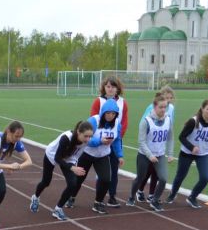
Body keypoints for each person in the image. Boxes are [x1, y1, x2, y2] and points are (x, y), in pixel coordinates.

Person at [29, 120, 92, 220]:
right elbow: (57, 158)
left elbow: (76, 155)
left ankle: (58, 209)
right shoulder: (66, 138)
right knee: (46, 181)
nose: (88, 139)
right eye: (86, 136)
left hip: (68, 158)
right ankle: (35, 197)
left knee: (73, 184)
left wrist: (74, 166)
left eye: (90, 136)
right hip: (52, 155)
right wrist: (71, 167)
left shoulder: (85, 142)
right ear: (78, 132)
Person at [69, 100, 124, 214]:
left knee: (106, 179)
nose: (110, 116)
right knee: (79, 178)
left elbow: (117, 140)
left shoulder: (117, 124)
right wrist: (100, 141)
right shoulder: (93, 121)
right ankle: (71, 197)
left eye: (113, 113)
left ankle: (98, 203)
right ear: (103, 112)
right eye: (108, 113)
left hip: (103, 155)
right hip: (87, 154)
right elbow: (86, 139)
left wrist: (120, 155)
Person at [167, 99, 208, 209]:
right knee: (180, 176)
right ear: (202, 109)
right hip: (187, 153)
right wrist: (191, 147)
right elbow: (181, 137)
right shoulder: (193, 121)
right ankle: (172, 194)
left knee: (205, 178)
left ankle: (192, 197)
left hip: (203, 154)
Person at [126, 92, 174, 211]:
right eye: (161, 107)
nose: (163, 109)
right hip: (144, 155)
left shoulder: (168, 119)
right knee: (140, 178)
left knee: (163, 178)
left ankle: (154, 200)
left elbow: (170, 138)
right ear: (154, 107)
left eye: (165, 107)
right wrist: (150, 155)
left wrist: (170, 153)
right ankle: (132, 196)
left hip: (160, 155)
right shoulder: (146, 121)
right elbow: (141, 142)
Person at [89, 77, 129, 207]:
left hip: (115, 140)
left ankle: (112, 196)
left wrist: (116, 137)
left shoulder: (123, 103)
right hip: (99, 141)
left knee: (114, 169)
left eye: (113, 86)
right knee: (100, 171)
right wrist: (100, 139)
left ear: (118, 88)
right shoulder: (98, 101)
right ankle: (98, 197)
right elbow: (92, 120)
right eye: (108, 86)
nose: (110, 89)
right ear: (104, 88)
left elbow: (124, 122)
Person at [136, 85, 176, 202]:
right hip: (149, 143)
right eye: (166, 98)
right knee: (147, 171)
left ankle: (152, 194)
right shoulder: (152, 107)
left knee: (157, 173)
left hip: (160, 143)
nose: (169, 100)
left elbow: (170, 123)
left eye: (171, 98)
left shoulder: (171, 108)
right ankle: (140, 190)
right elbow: (144, 122)